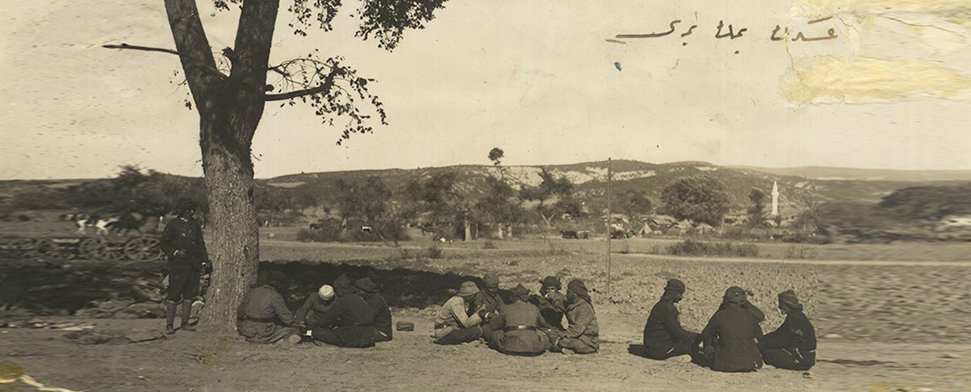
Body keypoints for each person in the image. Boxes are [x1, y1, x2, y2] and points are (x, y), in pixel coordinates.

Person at [158, 197, 209, 335]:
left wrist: (204, 261)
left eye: (193, 209)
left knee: (189, 294)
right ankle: (169, 325)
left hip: (194, 265)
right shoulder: (172, 225)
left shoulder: (195, 224)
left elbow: (200, 243)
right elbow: (164, 243)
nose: (191, 212)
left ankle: (185, 323)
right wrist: (175, 253)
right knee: (174, 294)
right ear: (181, 211)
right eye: (188, 210)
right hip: (178, 265)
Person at [700, 286, 764, 372]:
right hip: (749, 363)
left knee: (712, 340)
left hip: (723, 364)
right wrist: (744, 302)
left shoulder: (719, 316)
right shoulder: (750, 315)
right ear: (743, 301)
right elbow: (761, 316)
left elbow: (706, 334)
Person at [643, 279, 702, 361]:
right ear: (673, 294)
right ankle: (670, 357)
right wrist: (699, 337)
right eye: (680, 294)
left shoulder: (661, 306)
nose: (681, 297)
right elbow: (678, 333)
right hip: (658, 349)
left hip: (652, 347)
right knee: (694, 350)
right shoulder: (667, 309)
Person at [236, 271, 303, 344]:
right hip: (263, 331)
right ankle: (275, 340)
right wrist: (298, 324)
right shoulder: (275, 296)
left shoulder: (255, 291)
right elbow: (286, 317)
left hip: (247, 329)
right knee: (294, 330)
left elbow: (241, 311)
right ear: (279, 285)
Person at [310, 275, 376, 348]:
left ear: (339, 290)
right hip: (368, 337)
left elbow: (326, 320)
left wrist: (313, 327)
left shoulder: (343, 301)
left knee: (317, 332)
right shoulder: (360, 298)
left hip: (354, 337)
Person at [760, 290, 817, 371]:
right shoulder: (796, 316)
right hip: (806, 356)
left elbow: (781, 340)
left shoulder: (794, 319)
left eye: (781, 305)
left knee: (767, 354)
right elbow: (779, 332)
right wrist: (761, 339)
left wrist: (760, 345)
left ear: (787, 305)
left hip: (802, 360)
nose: (780, 307)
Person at [488, 284, 552, 356]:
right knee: (543, 337)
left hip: (510, 348)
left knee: (495, 333)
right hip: (534, 349)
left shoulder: (506, 308)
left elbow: (493, 325)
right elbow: (543, 324)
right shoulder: (533, 308)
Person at [553, 279, 599, 354]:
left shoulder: (584, 308)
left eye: (568, 292)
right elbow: (559, 305)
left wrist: (561, 335)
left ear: (574, 293)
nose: (566, 294)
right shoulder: (572, 304)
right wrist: (551, 298)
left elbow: (577, 329)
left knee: (564, 341)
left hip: (587, 341)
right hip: (577, 336)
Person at [356, 278, 393, 342]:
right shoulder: (367, 299)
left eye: (360, 290)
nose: (358, 293)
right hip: (373, 329)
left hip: (381, 332)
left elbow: (367, 319)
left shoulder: (376, 300)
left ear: (366, 290)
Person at [472, 272, 505, 342]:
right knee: (490, 334)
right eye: (491, 288)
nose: (494, 290)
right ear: (485, 288)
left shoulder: (496, 296)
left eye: (495, 288)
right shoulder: (479, 295)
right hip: (480, 323)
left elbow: (502, 307)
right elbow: (477, 310)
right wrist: (488, 315)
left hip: (492, 321)